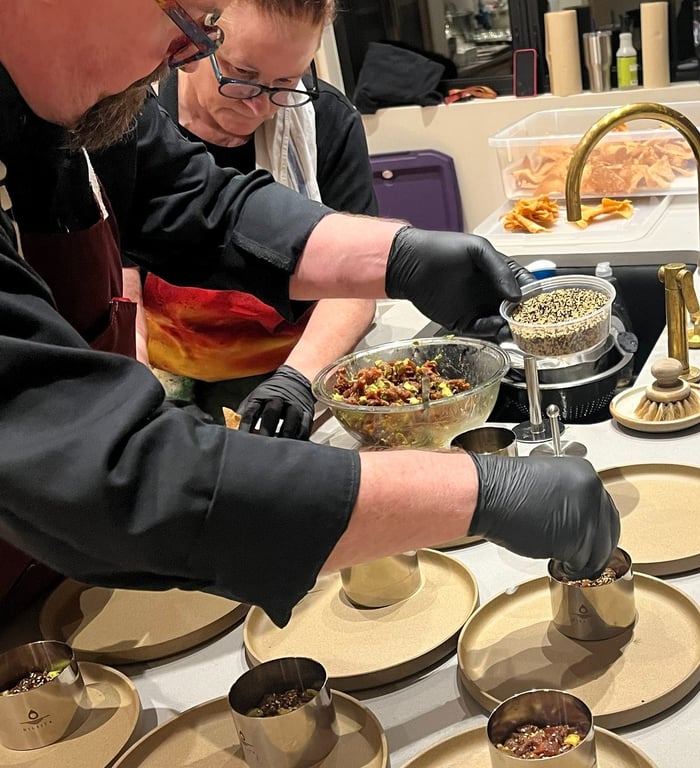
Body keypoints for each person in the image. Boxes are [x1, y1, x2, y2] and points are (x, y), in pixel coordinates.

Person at [0, 0, 620, 628]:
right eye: (188, 21)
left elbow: (198, 201)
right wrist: (481, 494)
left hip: (71, 569)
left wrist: (397, 255)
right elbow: (110, 474)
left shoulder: (73, 105)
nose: (186, 56)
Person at [125, 0, 377, 436]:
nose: (261, 108)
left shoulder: (327, 122)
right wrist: (135, 393)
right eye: (242, 78)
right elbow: (120, 278)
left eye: (286, 83)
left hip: (294, 364)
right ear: (193, 44)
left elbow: (353, 284)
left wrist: (297, 379)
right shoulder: (134, 124)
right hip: (167, 371)